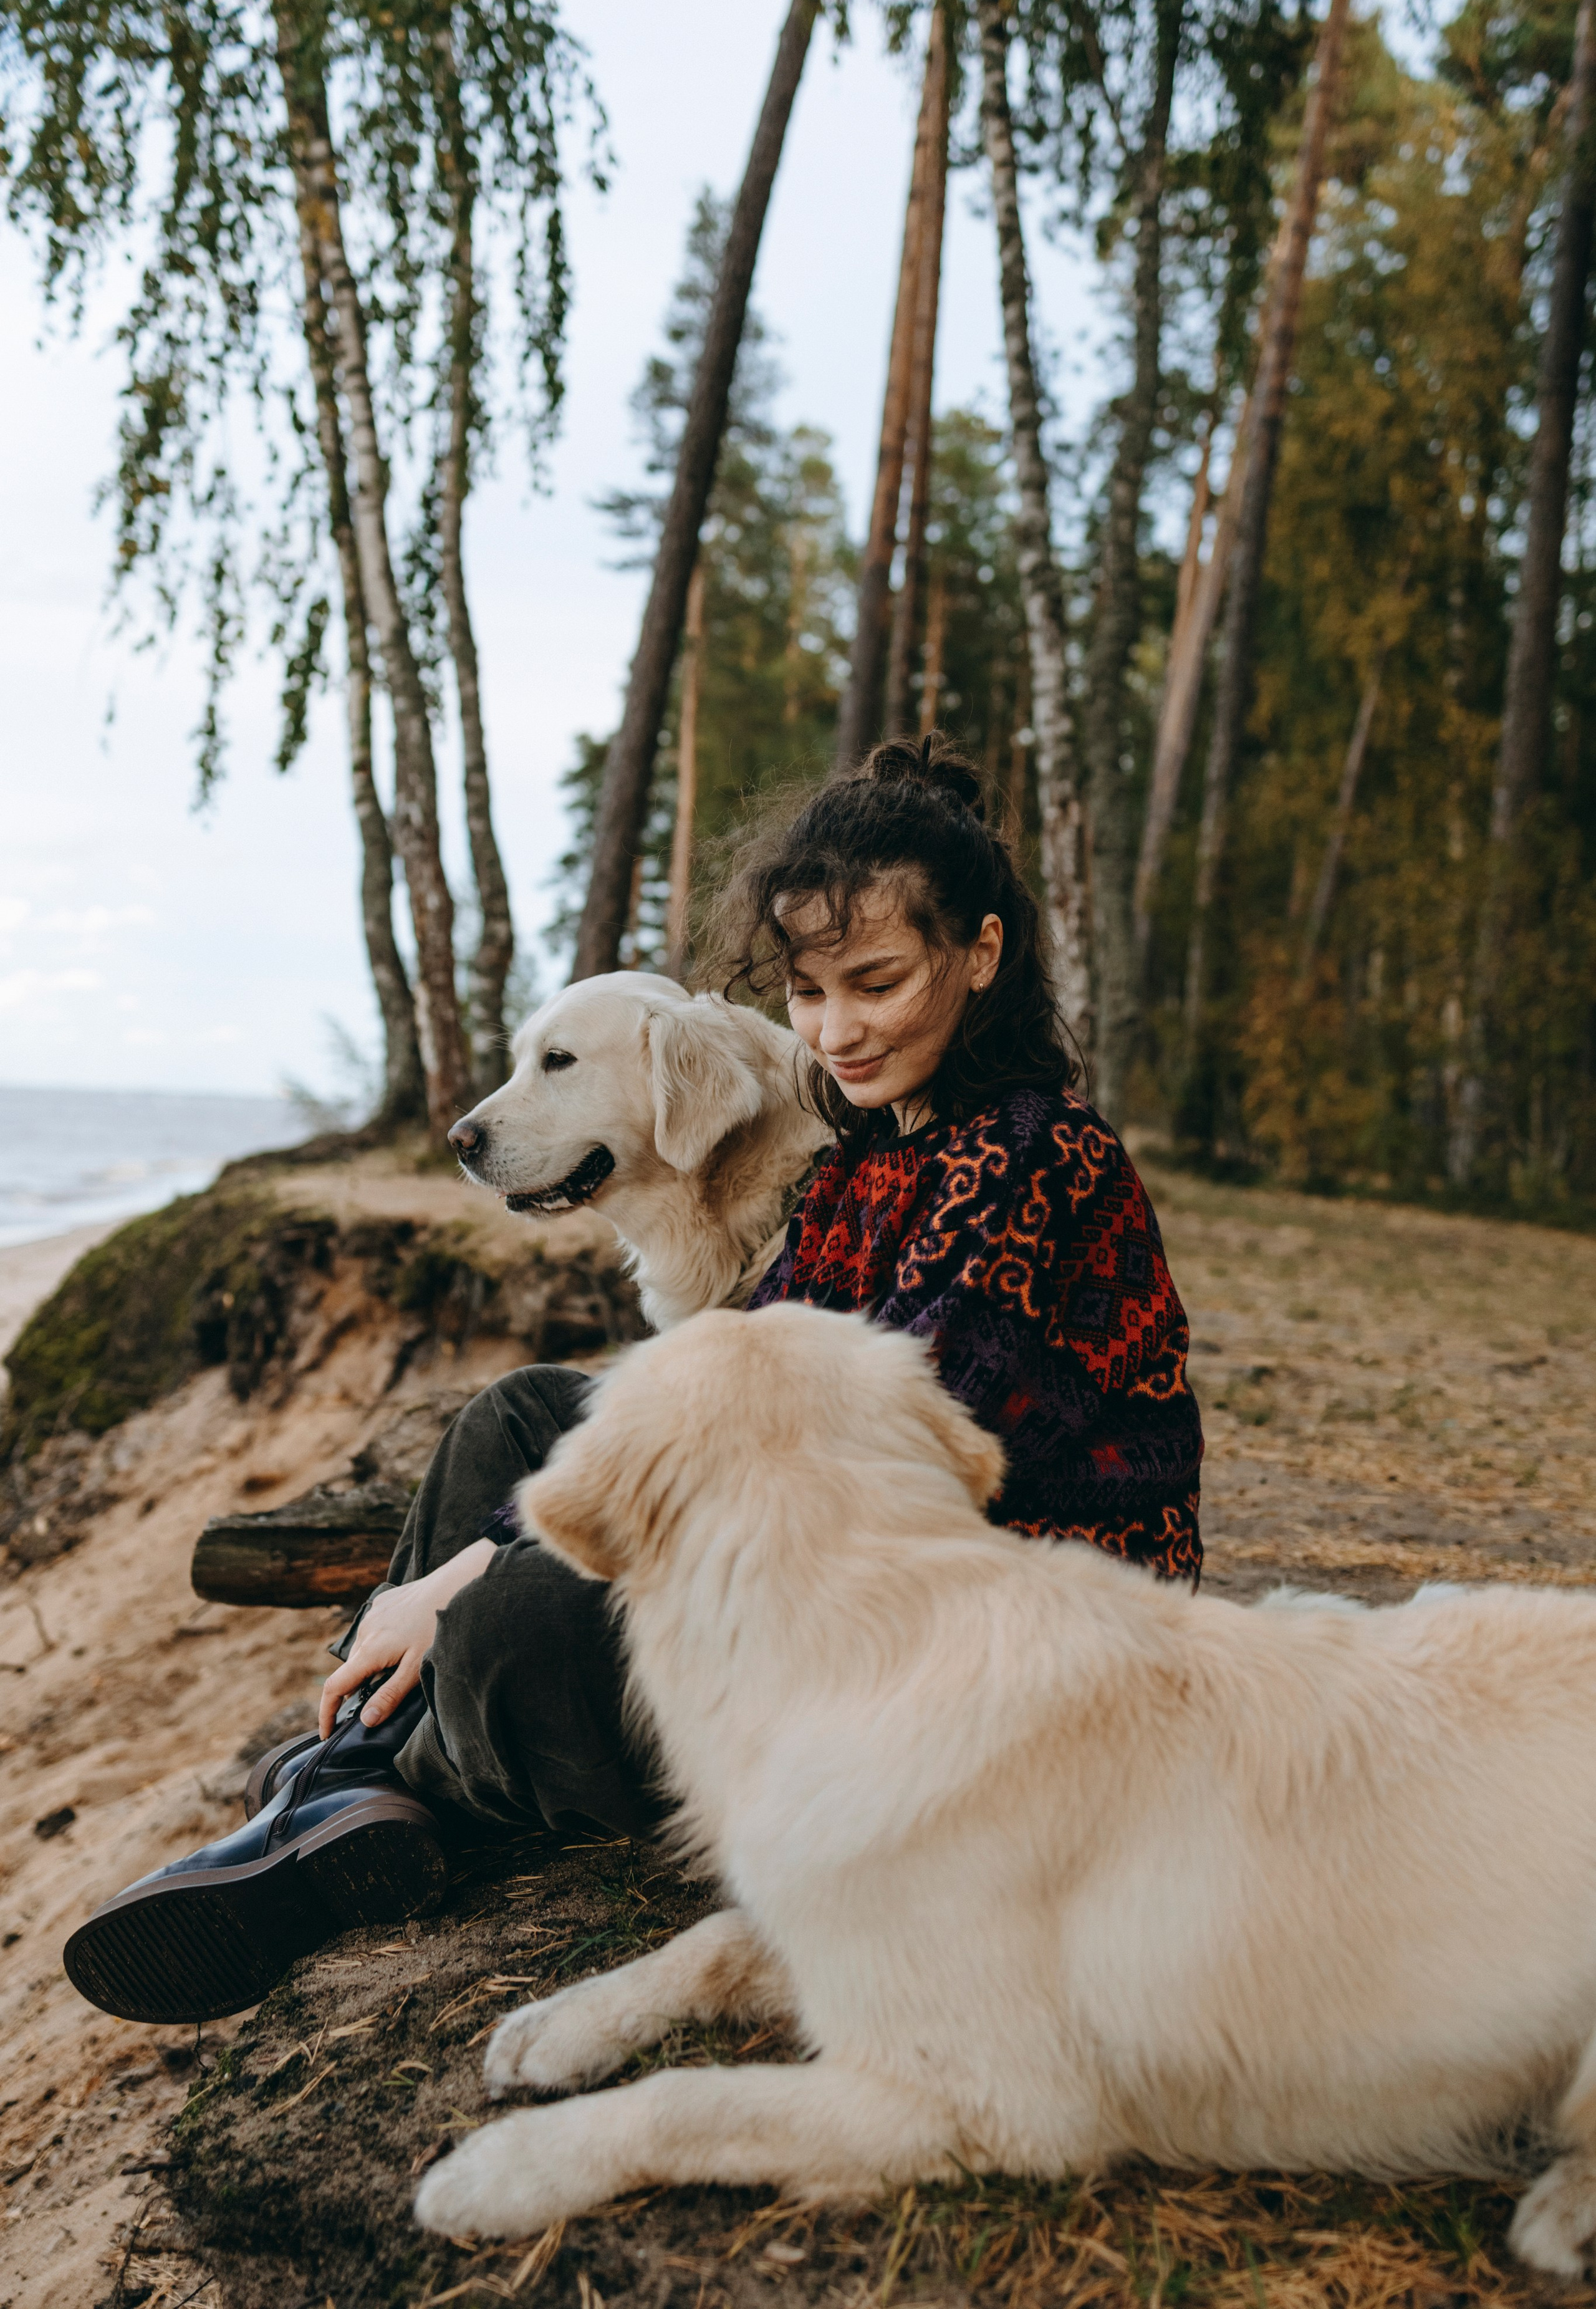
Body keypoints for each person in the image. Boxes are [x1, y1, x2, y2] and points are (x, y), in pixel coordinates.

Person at [63, 737, 1203, 2027]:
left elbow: (862, 1449)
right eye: (810, 992)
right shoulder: (863, 1165)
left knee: (516, 1621)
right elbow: (697, 1387)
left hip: (983, 1672)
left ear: (979, 956)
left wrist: (467, 1583)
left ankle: (380, 1787)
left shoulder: (1034, 1161)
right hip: (852, 1591)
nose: (835, 1032)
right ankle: (357, 1782)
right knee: (528, 1416)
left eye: (876, 983)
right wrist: (466, 1560)